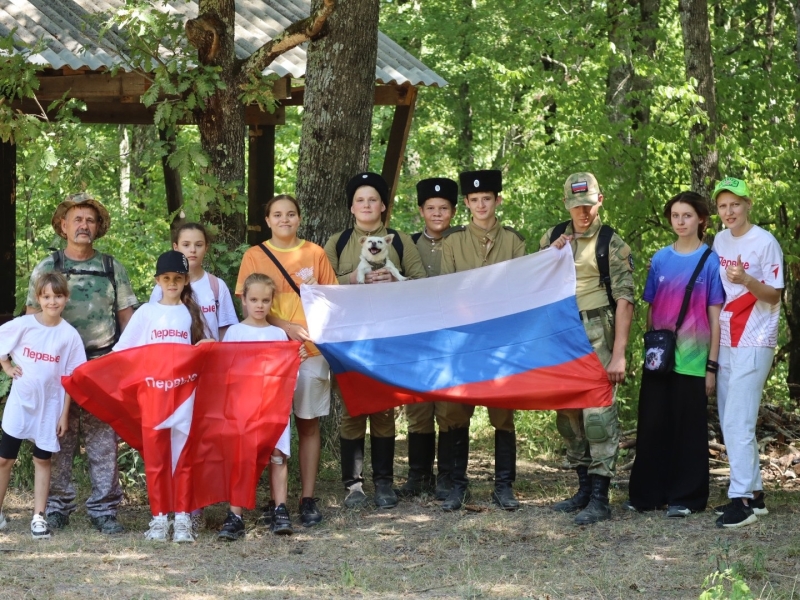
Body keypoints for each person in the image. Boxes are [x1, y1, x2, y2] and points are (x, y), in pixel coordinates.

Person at [26, 193, 138, 535]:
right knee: (58, 437)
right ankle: (57, 507)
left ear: (98, 227)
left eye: (90, 220)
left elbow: (128, 319)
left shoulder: (111, 267)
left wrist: (125, 365)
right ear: (63, 225)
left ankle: (104, 510)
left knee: (104, 441)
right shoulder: (49, 267)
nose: (83, 225)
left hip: (101, 366)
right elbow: (31, 319)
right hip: (58, 368)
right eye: (77, 219)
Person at [324, 172, 427, 509]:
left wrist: (392, 281)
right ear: (352, 207)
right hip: (349, 336)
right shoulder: (337, 242)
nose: (366, 205)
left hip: (389, 335)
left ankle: (384, 484)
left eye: (373, 200)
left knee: (385, 407)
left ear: (383, 205)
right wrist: (356, 278)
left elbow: (419, 281)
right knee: (354, 407)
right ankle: (353, 487)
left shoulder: (399, 240)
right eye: (360, 200)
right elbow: (322, 287)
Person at [235, 195, 338, 527]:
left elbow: (331, 301)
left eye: (290, 214)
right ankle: (273, 501)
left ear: (299, 218)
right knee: (267, 425)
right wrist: (285, 328)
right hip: (269, 353)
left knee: (308, 422)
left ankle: (307, 499)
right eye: (277, 214)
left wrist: (307, 333)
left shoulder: (315, 253)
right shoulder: (254, 255)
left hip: (310, 352)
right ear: (267, 220)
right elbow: (249, 306)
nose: (284, 219)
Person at [541, 173, 634, 525]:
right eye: (575, 206)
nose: (582, 212)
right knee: (567, 411)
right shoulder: (552, 237)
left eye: (588, 204)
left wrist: (620, 354)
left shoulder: (612, 243)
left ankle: (600, 496)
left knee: (597, 412)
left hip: (597, 327)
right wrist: (549, 255)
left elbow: (625, 300)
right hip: (560, 330)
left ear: (600, 200)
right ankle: (582, 488)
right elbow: (534, 285)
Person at [627, 192, 723, 517]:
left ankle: (687, 498)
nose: (680, 222)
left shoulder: (710, 262)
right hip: (659, 360)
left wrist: (712, 366)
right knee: (652, 426)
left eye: (687, 216)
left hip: (694, 360)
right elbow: (651, 311)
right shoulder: (659, 260)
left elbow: (715, 317)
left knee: (688, 430)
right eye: (675, 216)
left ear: (701, 220)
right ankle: (647, 495)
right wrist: (648, 353)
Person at [439, 169, 526, 511]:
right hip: (463, 340)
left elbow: (521, 288)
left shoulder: (514, 242)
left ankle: (504, 486)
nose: (481, 205)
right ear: (466, 204)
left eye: (486, 199)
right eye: (474, 200)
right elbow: (446, 290)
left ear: (497, 200)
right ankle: (457, 486)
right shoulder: (454, 242)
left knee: (503, 414)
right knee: (456, 412)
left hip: (501, 341)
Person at [113, 250, 210, 543]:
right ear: (157, 280)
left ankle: (182, 518)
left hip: (184, 397)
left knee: (183, 457)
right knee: (155, 458)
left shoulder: (192, 313)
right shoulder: (146, 313)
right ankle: (158, 518)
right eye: (166, 278)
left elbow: (205, 351)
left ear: (185, 280)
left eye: (177, 279)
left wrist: (207, 347)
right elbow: (123, 352)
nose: (171, 283)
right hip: (152, 396)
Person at [711, 177, 783, 528]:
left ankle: (739, 500)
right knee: (729, 419)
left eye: (735, 204)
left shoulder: (765, 242)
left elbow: (775, 295)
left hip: (756, 338)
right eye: (723, 206)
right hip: (727, 336)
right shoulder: (719, 240)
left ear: (747, 204)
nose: (729, 212)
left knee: (738, 420)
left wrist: (747, 281)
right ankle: (754, 496)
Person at [218, 273, 306, 540]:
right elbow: (225, 371)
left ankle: (280, 509)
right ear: (243, 300)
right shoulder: (234, 332)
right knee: (241, 458)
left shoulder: (278, 334)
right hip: (243, 408)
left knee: (278, 456)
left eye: (265, 300)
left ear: (271, 302)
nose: (259, 305)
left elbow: (287, 376)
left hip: (273, 406)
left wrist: (296, 360)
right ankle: (235, 515)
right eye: (254, 299)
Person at [0, 273, 86, 540]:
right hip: (21, 404)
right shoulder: (24, 325)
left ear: (66, 298)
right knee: (4, 459)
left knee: (42, 459)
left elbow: (71, 378)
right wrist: (7, 366)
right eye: (47, 296)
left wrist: (63, 414)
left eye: (58, 296)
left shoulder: (69, 336)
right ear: (38, 298)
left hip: (50, 408)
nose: (52, 301)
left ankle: (38, 516)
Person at [398, 177, 458, 500]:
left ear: (453, 210)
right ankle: (418, 475)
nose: (437, 213)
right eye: (431, 208)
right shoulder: (407, 244)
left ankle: (447, 475)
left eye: (444, 208)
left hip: (451, 336)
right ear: (421, 210)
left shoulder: (462, 242)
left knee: (448, 405)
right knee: (418, 405)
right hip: (417, 338)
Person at [150, 222, 238, 341]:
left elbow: (227, 331)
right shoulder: (162, 288)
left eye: (199, 245)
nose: (192, 250)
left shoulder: (217, 286)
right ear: (176, 247)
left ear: (206, 247)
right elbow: (152, 328)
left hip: (210, 358)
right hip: (175, 357)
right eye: (186, 245)